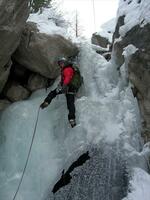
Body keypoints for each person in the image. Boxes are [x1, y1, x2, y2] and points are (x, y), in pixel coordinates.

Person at [40, 57, 82, 128]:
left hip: (67, 87)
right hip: (72, 88)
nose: (61, 64)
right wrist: (61, 84)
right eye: (60, 63)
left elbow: (67, 78)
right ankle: (72, 120)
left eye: (62, 63)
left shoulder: (67, 69)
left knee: (53, 93)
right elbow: (66, 78)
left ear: (65, 62)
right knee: (70, 103)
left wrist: (64, 86)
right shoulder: (70, 68)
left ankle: (46, 102)